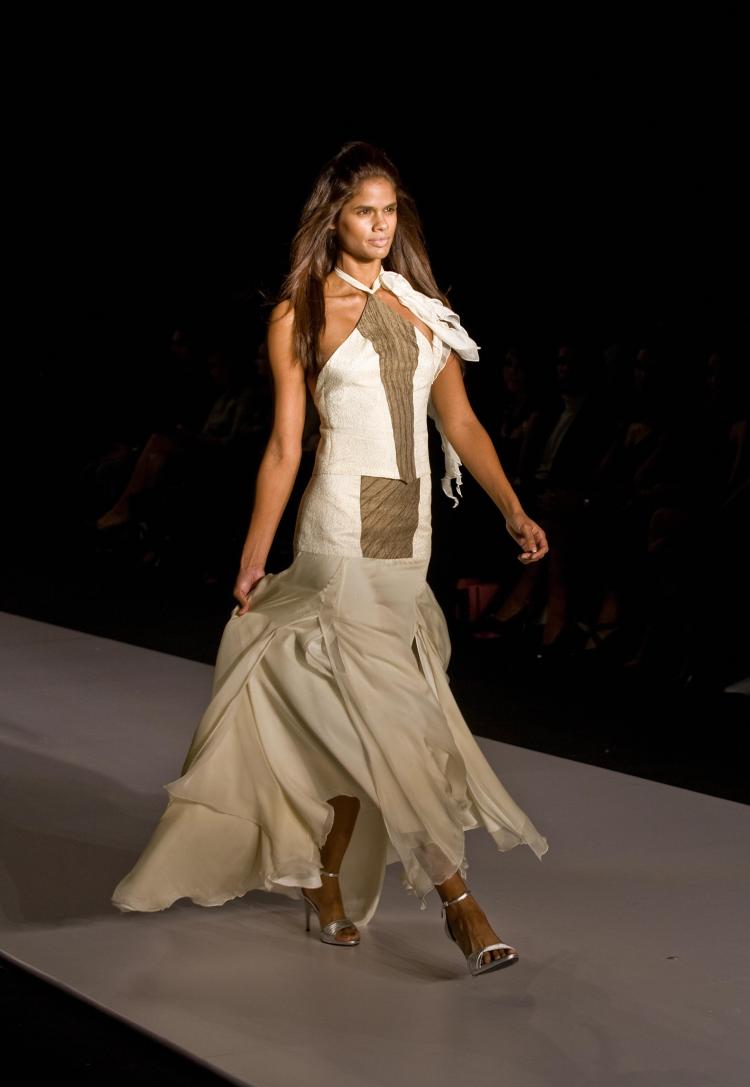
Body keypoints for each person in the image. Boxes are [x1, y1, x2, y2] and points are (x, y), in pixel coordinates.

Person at [111, 141, 550, 978]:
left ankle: (322, 875)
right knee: (395, 718)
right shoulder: (299, 311)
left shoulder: (426, 307)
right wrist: (251, 559)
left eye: (389, 212)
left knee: (361, 716)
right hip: (338, 529)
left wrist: (512, 507)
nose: (379, 226)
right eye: (363, 212)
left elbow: (459, 426)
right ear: (334, 218)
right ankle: (461, 904)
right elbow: (285, 446)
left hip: (408, 536)